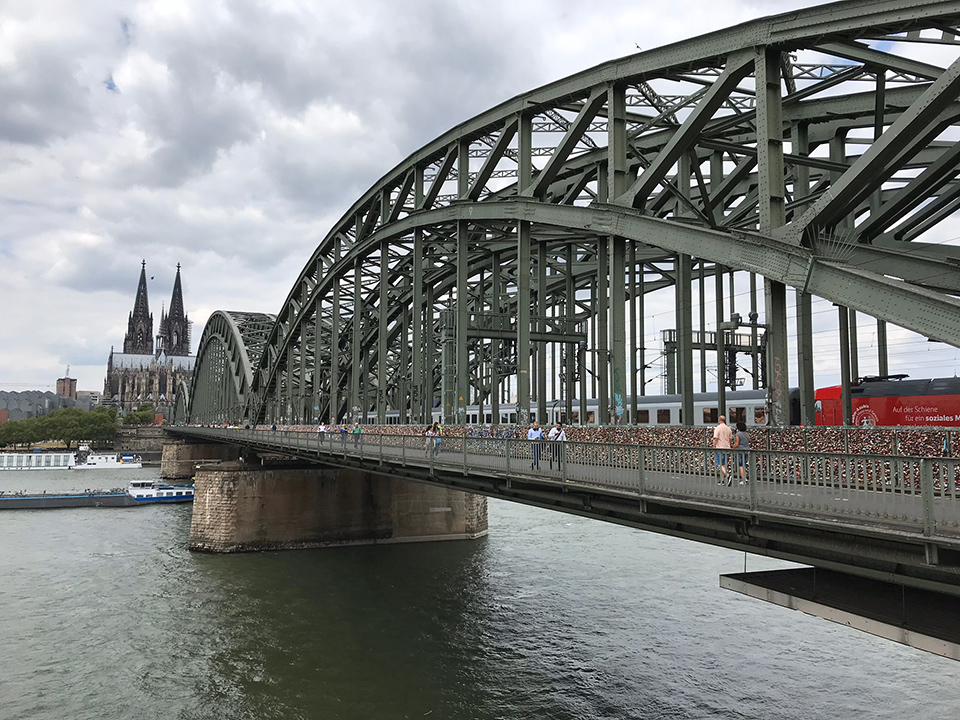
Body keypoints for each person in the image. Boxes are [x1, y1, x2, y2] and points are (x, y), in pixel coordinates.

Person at [712, 414, 734, 485]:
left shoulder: (717, 428)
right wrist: (729, 445)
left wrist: (714, 447)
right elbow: (730, 439)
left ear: (719, 420)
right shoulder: (728, 428)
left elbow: (715, 438)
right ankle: (722, 480)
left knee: (719, 464)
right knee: (723, 464)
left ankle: (728, 475)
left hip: (720, 448)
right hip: (727, 448)